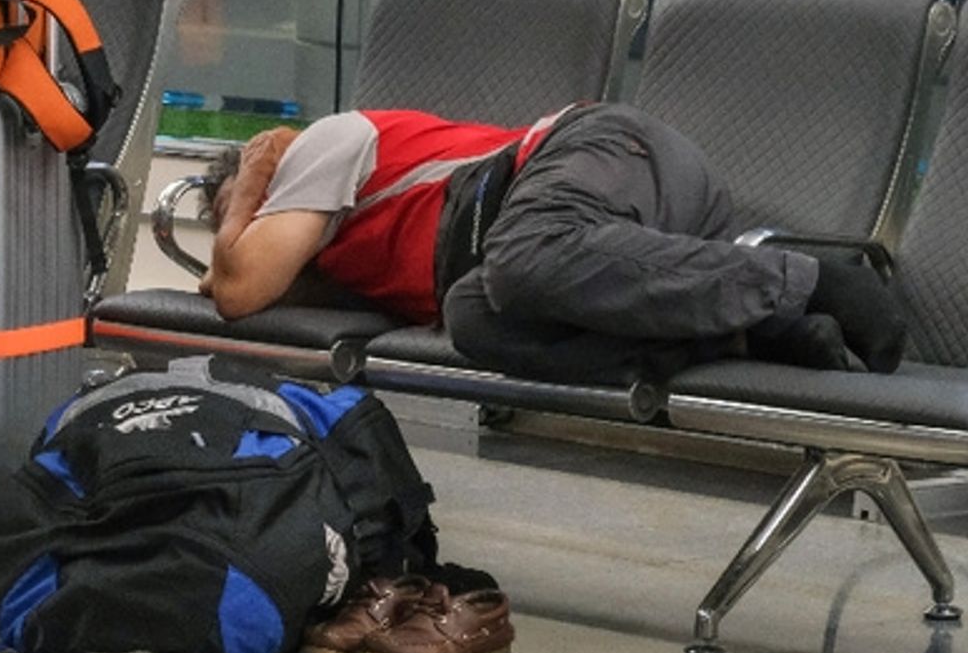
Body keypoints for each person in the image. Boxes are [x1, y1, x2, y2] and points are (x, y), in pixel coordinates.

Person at [200, 102, 907, 385]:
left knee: (517, 257)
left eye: (241, 215)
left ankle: (808, 281)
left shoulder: (325, 144)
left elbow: (239, 288)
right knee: (473, 316)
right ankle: (752, 333)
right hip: (609, 257)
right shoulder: (343, 262)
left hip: (602, 151)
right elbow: (249, 287)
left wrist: (255, 178)